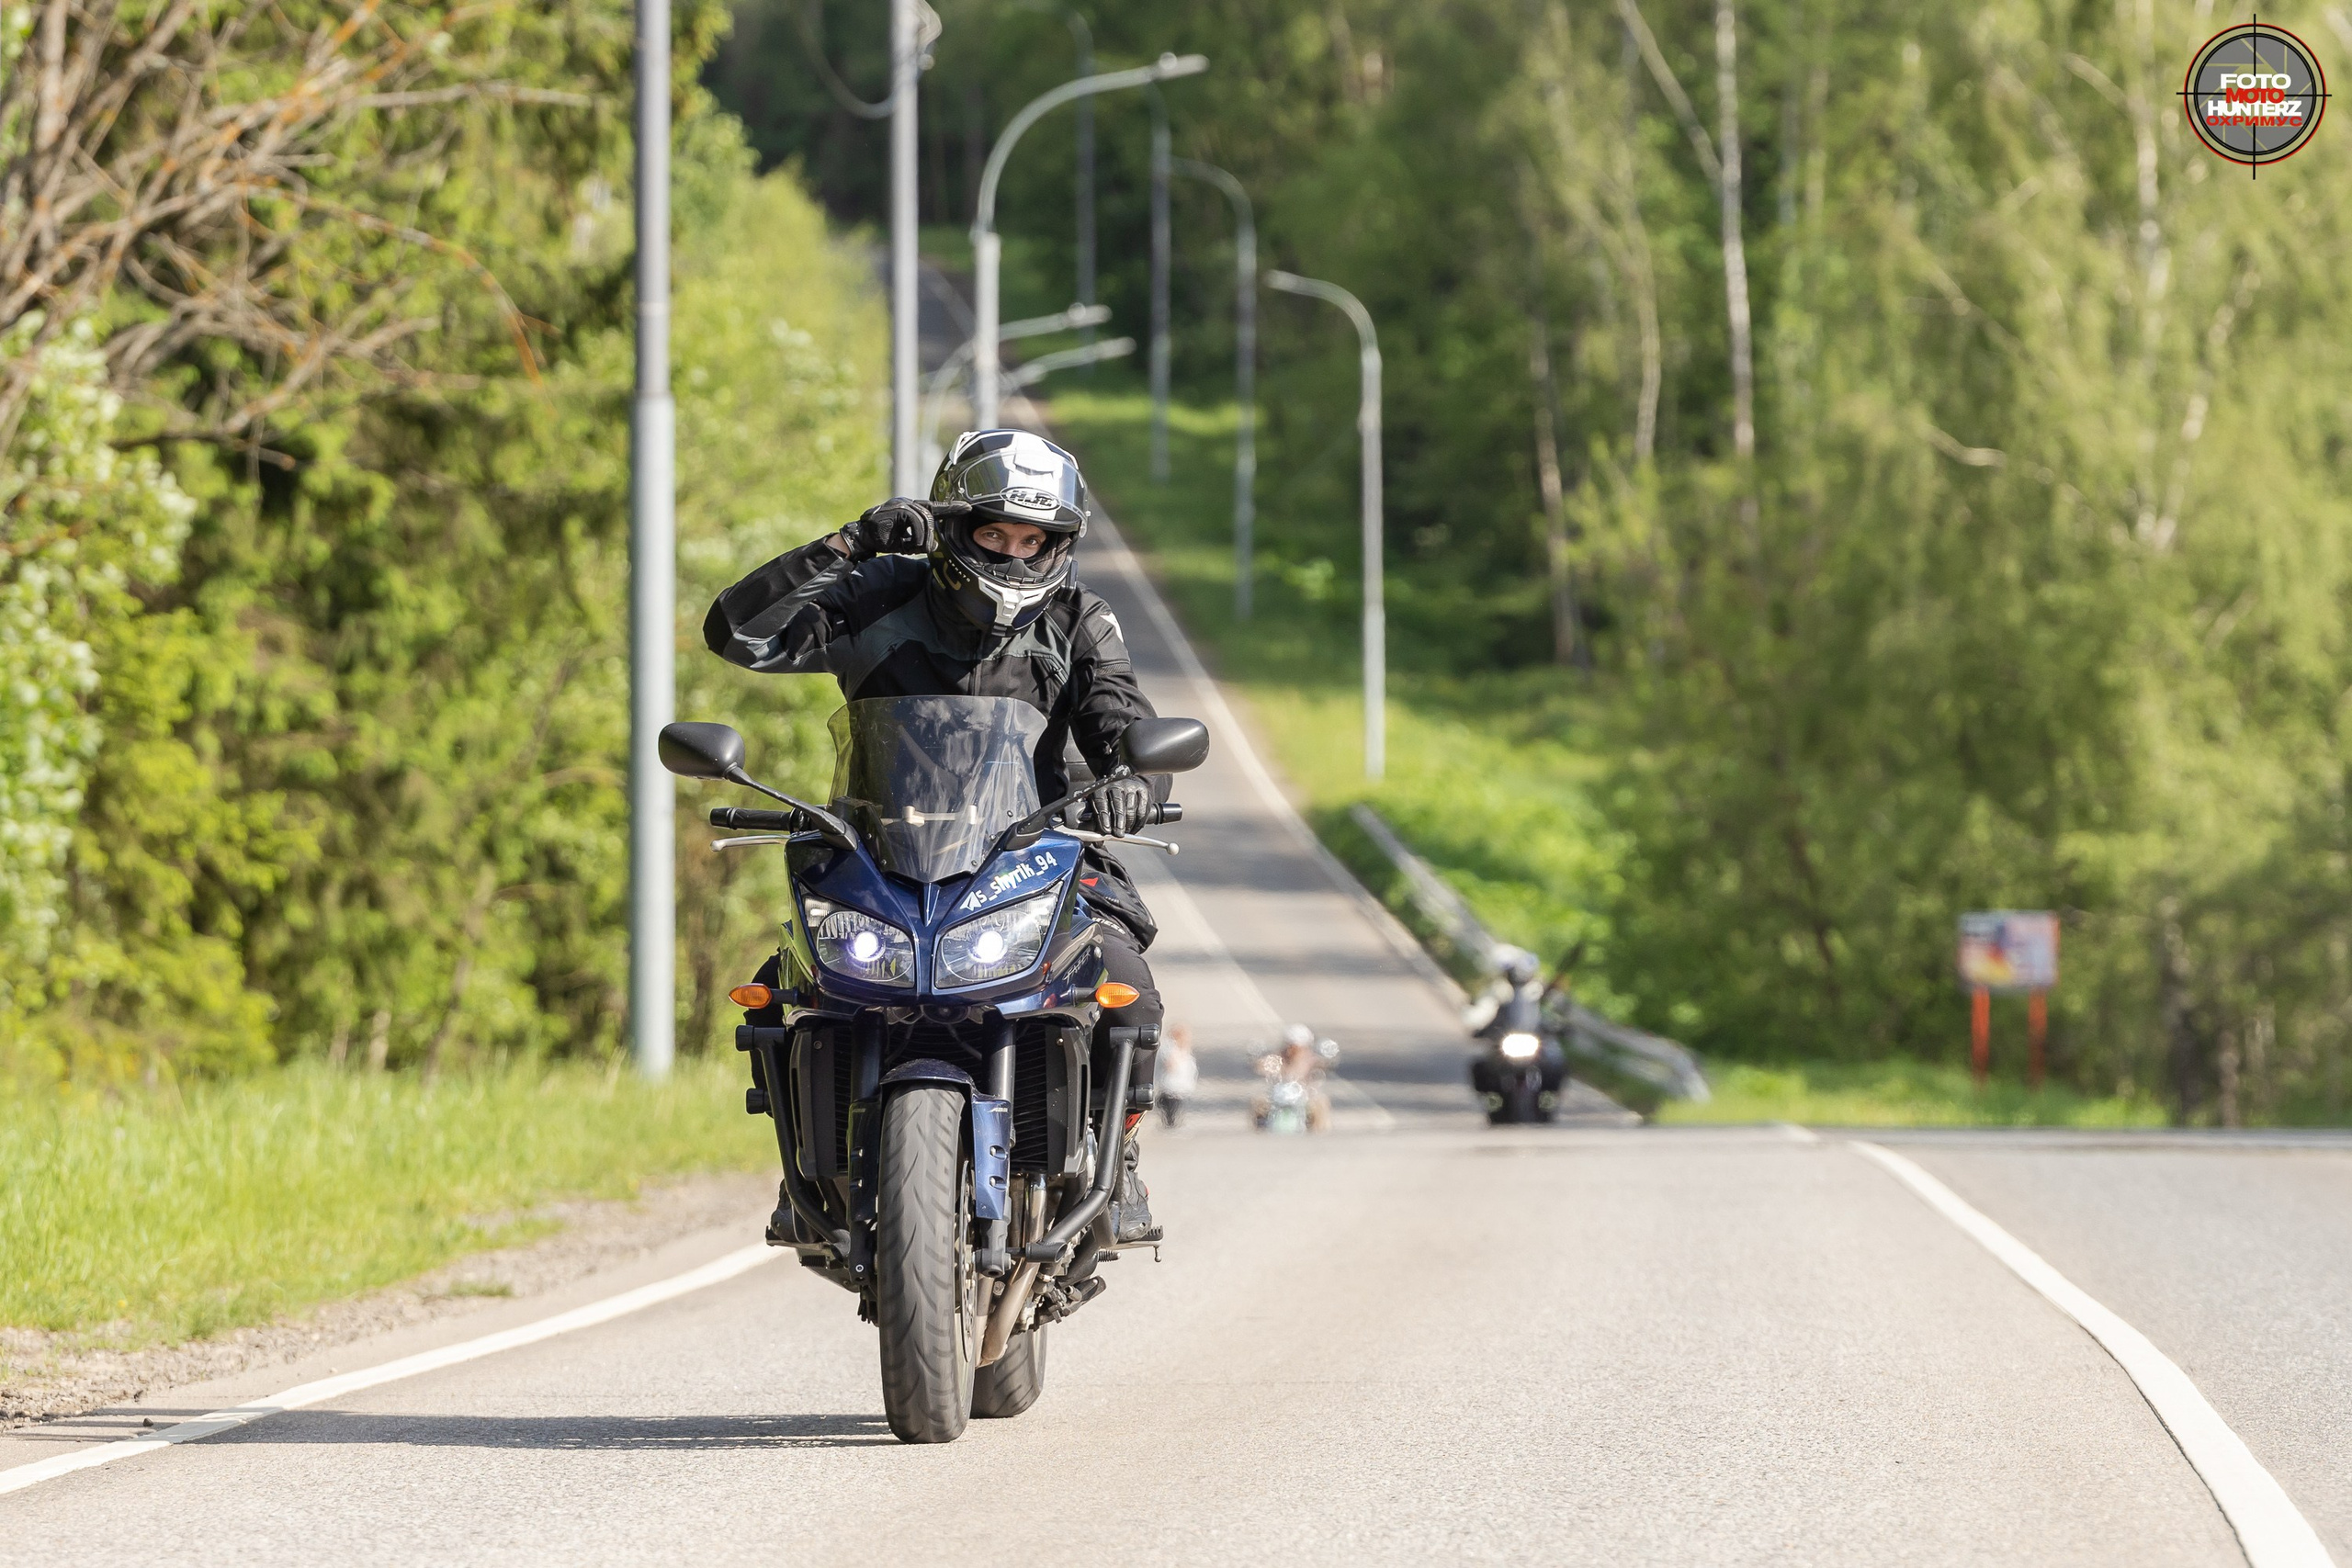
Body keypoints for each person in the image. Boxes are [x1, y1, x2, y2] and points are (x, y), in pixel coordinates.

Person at [703, 428, 1163, 1243]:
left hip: (1034, 854)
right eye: (993, 533)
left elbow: (1127, 725)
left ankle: (1115, 1162)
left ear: (1061, 544)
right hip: (879, 854)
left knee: (1127, 986)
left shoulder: (1077, 618)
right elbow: (738, 635)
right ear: (953, 527)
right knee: (785, 986)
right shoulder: (879, 590)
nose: (1014, 556)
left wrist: (1132, 786)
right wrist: (847, 543)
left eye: (1035, 540)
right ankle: (806, 1168)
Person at [1157, 1024, 1199, 1129]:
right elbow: (1170, 1065)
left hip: (1180, 1086)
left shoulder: (1182, 1048)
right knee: (1171, 1108)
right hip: (1171, 1086)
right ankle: (1171, 1124)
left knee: (1177, 1107)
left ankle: (1174, 1123)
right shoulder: (1169, 1048)